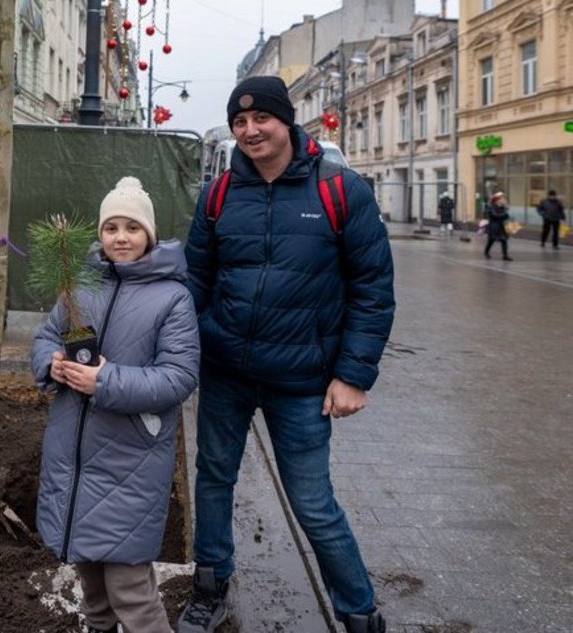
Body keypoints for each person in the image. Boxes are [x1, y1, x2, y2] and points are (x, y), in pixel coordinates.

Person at [179, 76, 395, 633]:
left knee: (313, 504)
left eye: (261, 119)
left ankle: (359, 613)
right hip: (226, 372)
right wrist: (187, 344)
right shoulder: (218, 194)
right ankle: (210, 588)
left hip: (302, 381)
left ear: (286, 121)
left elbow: (373, 289)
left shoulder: (341, 190)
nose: (250, 131)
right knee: (213, 479)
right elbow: (195, 280)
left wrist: (353, 375)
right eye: (240, 122)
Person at [31, 176, 200, 633]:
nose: (121, 237)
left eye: (132, 227)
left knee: (130, 589)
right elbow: (48, 335)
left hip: (130, 461)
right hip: (74, 459)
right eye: (111, 228)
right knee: (91, 581)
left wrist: (103, 381)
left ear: (149, 234)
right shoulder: (80, 286)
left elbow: (178, 377)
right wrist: (52, 362)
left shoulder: (172, 298)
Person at [484, 191, 513, 261]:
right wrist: (505, 211)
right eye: (501, 199)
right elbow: (495, 215)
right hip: (494, 226)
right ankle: (486, 252)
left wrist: (505, 210)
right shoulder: (491, 207)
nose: (503, 200)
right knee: (491, 240)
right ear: (497, 200)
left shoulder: (503, 207)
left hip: (502, 226)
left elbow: (506, 217)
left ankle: (505, 256)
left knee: (504, 240)